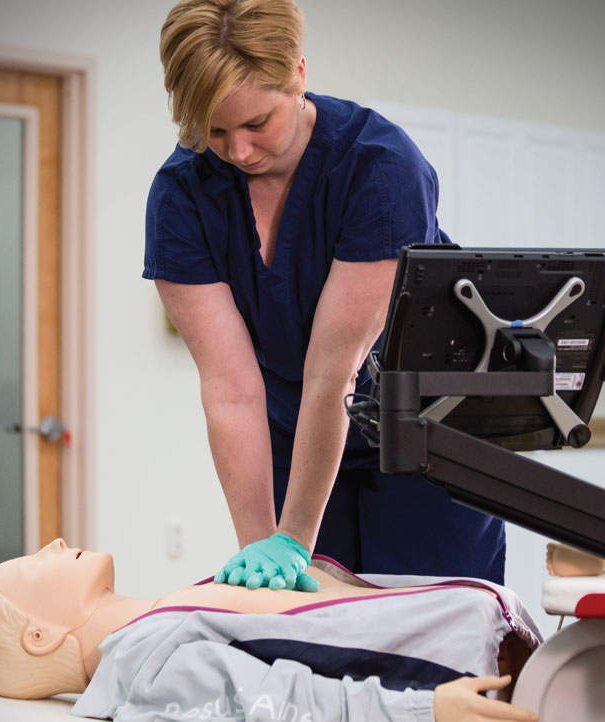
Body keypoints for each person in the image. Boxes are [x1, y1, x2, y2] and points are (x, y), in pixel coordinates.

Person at [147, 0, 504, 592]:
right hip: (303, 433)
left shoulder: (380, 170)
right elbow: (232, 391)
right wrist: (265, 551)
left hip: (431, 425)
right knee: (312, 638)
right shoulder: (182, 194)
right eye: (213, 130)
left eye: (258, 123)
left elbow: (332, 373)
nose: (237, 152)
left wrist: (294, 537)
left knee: (427, 633)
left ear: (300, 77)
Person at [0, 539, 541, 722]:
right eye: (33, 562)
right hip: (459, 687)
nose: (54, 545)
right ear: (37, 635)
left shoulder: (159, 620)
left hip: (474, 645)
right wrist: (424, 713)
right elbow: (282, 708)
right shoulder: (143, 666)